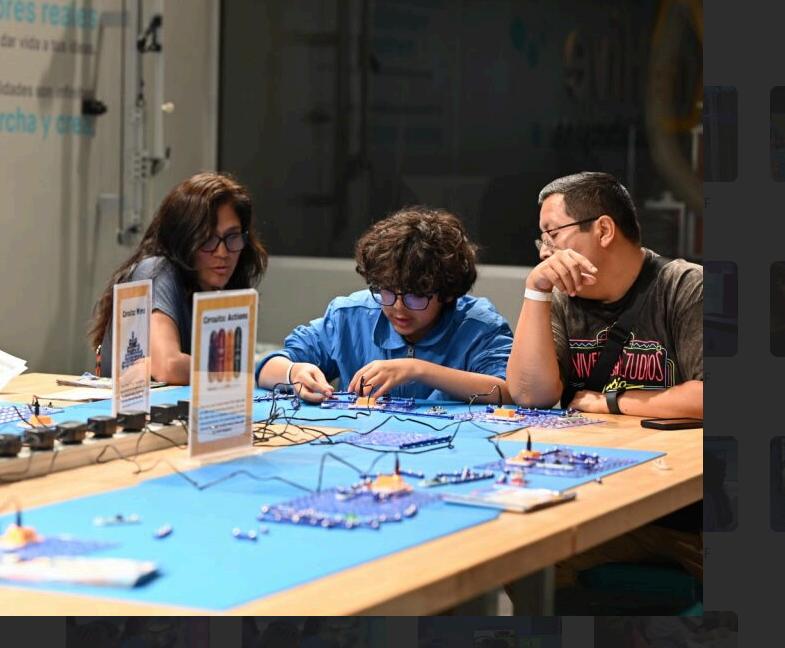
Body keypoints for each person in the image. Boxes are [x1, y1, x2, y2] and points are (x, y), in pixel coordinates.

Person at [257, 206, 513, 403]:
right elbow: (268, 367)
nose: (399, 307)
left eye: (415, 296)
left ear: (447, 293)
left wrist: (418, 370)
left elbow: (509, 392)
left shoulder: (479, 326)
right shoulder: (349, 316)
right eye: (387, 291)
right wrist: (294, 372)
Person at [506, 171, 703, 418]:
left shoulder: (685, 286)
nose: (544, 253)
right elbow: (530, 396)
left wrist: (611, 402)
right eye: (542, 241)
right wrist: (536, 291)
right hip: (591, 441)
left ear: (604, 230)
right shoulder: (561, 296)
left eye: (553, 235)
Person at [89, 172, 268, 384]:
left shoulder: (221, 287)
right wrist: (250, 370)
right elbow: (169, 366)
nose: (222, 252)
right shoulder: (156, 270)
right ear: (183, 240)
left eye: (232, 236)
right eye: (207, 238)